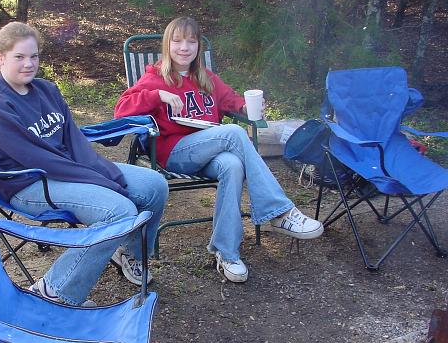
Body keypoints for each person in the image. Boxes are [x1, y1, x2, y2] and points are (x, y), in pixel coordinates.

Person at [0, 21, 168, 306]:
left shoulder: (46, 90)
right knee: (120, 211)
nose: (29, 64)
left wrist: (99, 168)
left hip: (68, 169)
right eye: (19, 57)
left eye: (34, 56)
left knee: (154, 185)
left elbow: (74, 139)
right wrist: (96, 178)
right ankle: (54, 291)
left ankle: (129, 253)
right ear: (0, 57)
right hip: (30, 183)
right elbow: (37, 158)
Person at [114, 16, 323, 283]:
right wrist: (158, 96)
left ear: (198, 46)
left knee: (233, 165)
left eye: (191, 41)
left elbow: (231, 100)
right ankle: (279, 212)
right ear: (168, 45)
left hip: (208, 151)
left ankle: (227, 252)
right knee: (234, 133)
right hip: (174, 152)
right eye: (177, 41)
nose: (184, 47)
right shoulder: (156, 77)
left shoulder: (206, 78)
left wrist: (245, 108)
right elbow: (122, 109)